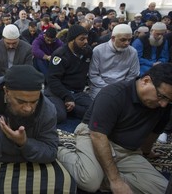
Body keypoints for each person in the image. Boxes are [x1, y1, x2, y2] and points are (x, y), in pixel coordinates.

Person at [57, 63, 172, 194]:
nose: (163, 104)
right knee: (90, 182)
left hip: (127, 151)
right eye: (161, 96)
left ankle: (100, 173)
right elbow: (97, 135)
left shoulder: (165, 106)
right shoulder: (114, 94)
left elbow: (152, 133)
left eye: (169, 100)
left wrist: (146, 152)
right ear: (146, 81)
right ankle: (60, 151)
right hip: (94, 136)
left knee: (164, 189)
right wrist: (115, 180)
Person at [0, 65, 59, 192]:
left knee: (65, 185)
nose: (28, 108)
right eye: (21, 102)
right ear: (6, 92)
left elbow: (51, 151)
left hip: (31, 162)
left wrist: (24, 143)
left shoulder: (48, 109)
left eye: (33, 102)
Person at [45, 25, 92, 122]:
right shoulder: (60, 55)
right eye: (82, 39)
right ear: (71, 40)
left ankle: (69, 108)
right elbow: (53, 80)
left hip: (77, 93)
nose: (86, 42)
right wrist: (67, 97)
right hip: (58, 92)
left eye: (86, 39)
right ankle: (63, 106)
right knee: (59, 116)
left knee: (95, 112)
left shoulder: (87, 52)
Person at [89, 24, 140, 99]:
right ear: (113, 38)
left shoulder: (132, 52)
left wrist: (121, 87)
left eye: (129, 40)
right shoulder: (98, 50)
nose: (127, 43)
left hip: (123, 87)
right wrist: (110, 88)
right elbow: (93, 75)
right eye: (123, 40)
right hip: (101, 87)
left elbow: (133, 74)